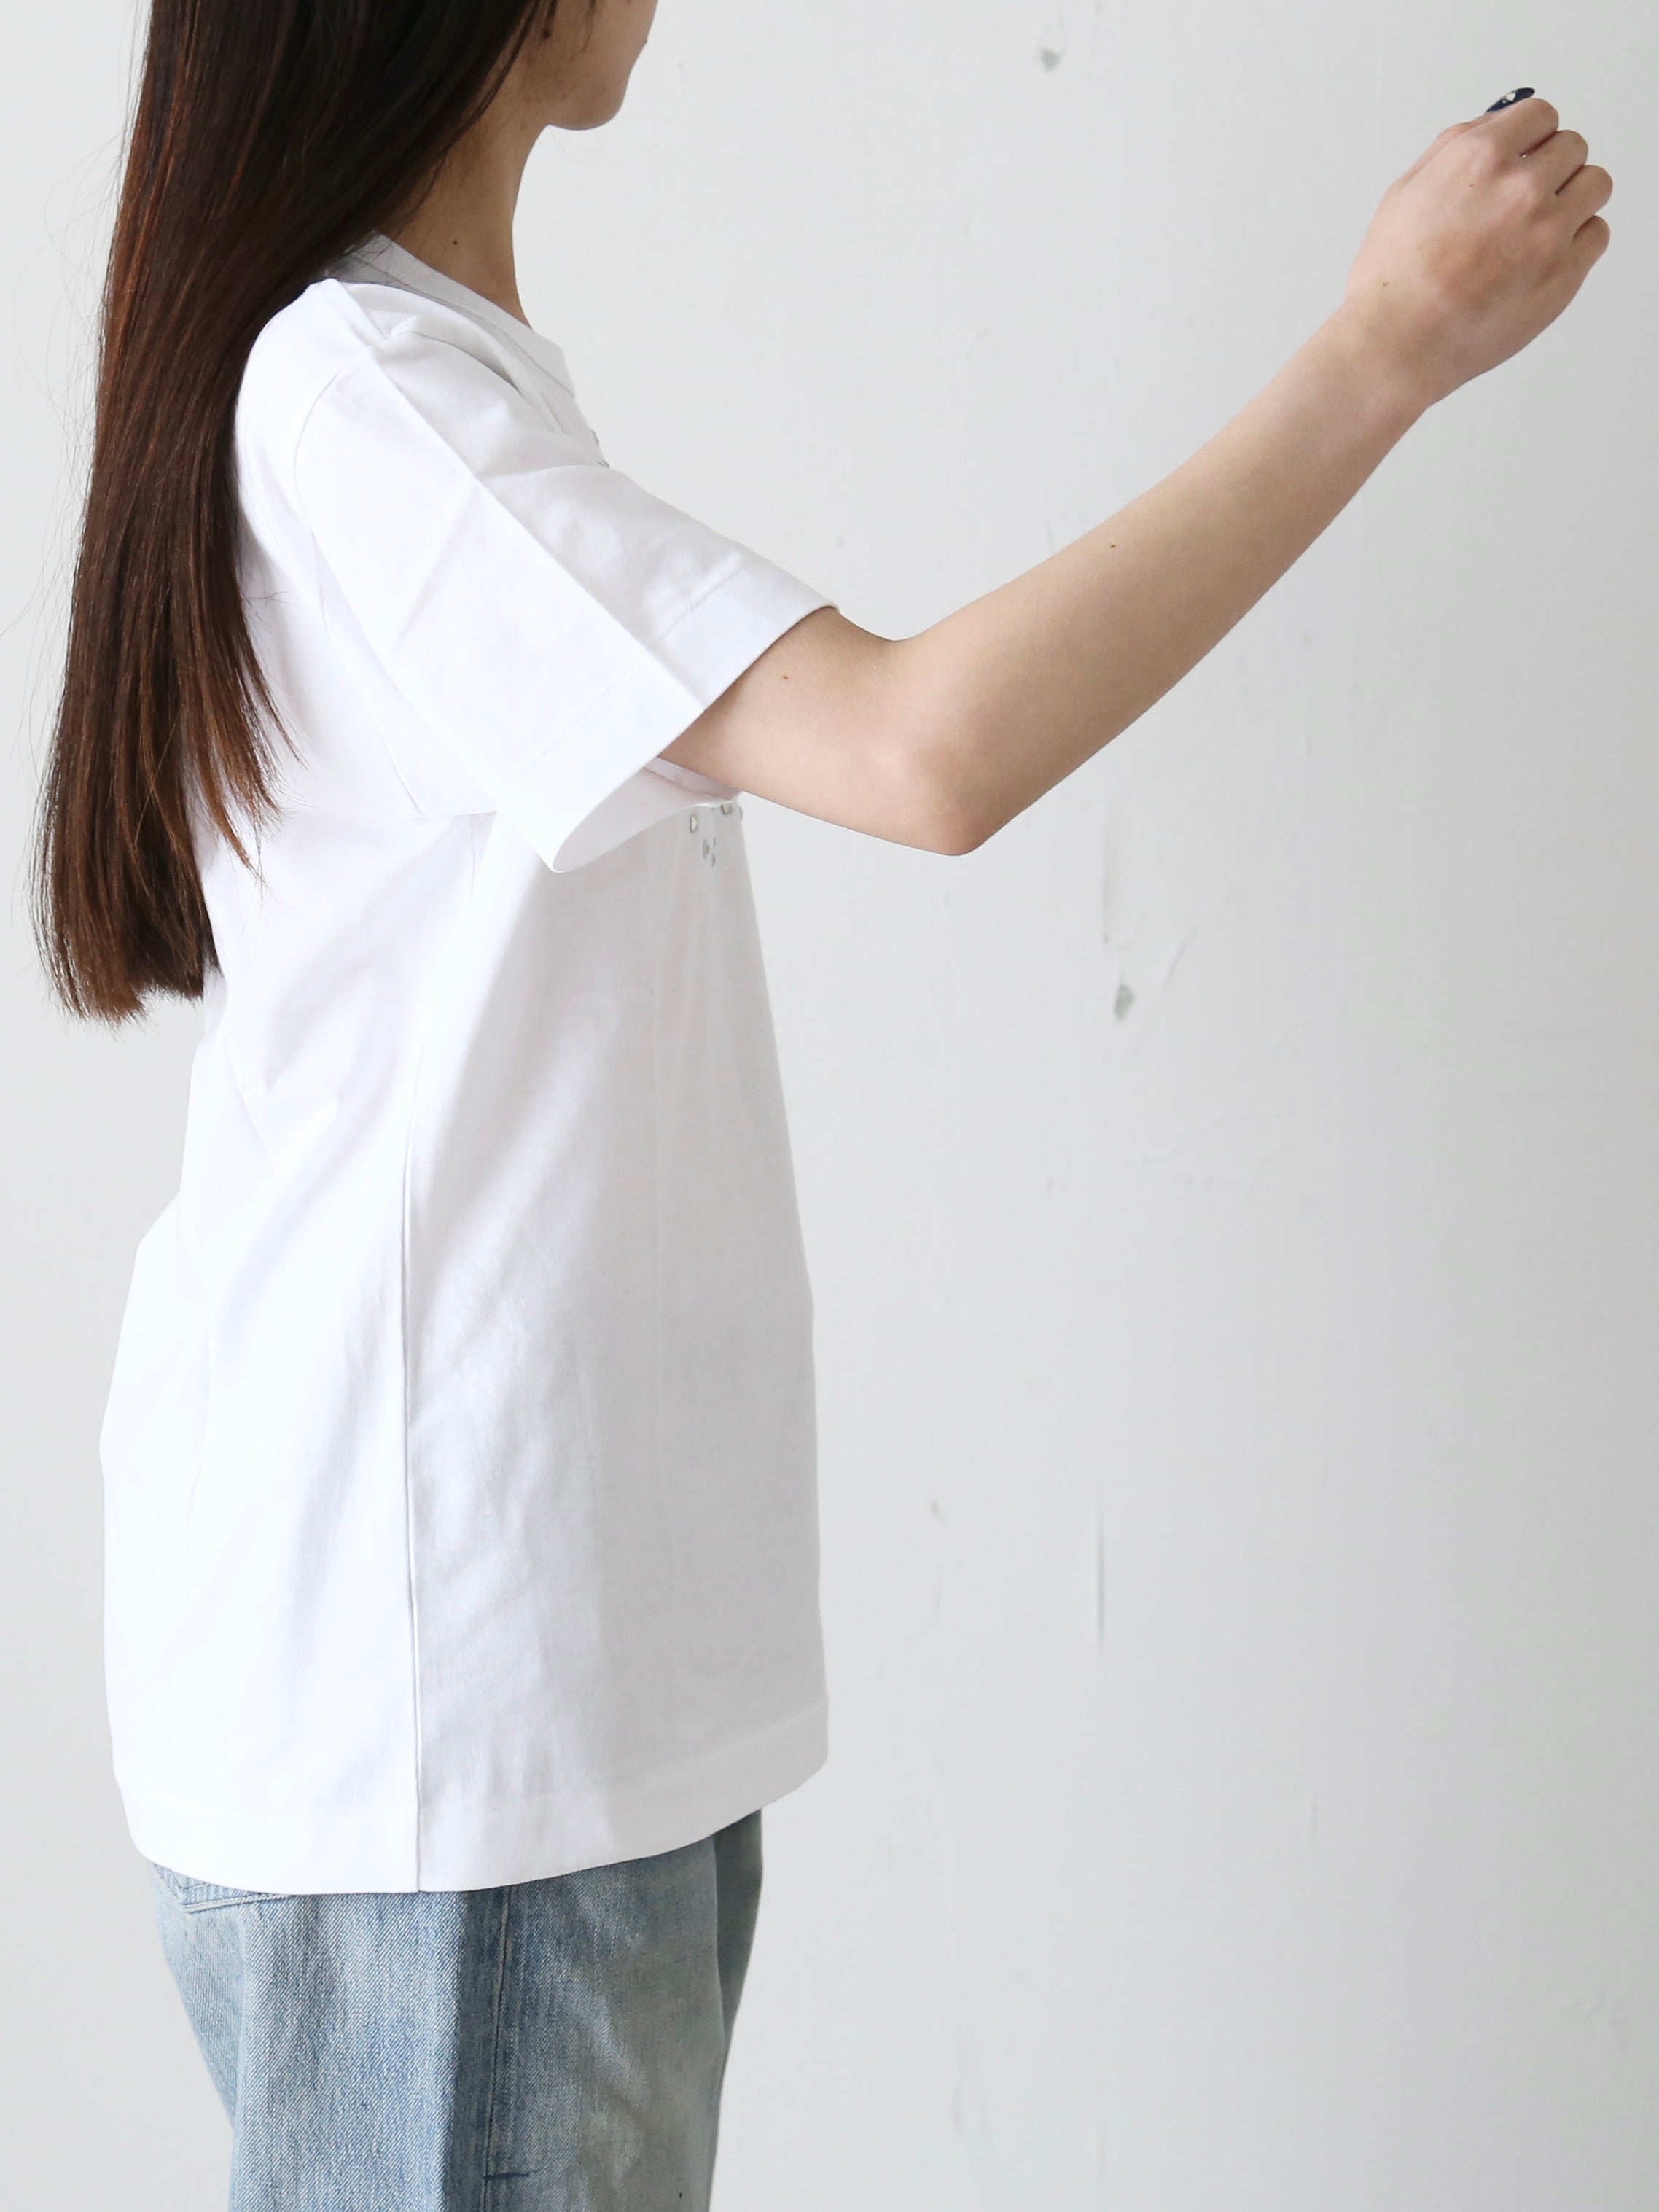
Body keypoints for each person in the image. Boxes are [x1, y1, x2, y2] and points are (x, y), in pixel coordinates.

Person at [34, 0, 1610, 2203]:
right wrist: (1379, 351)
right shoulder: (363, 397)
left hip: (526, 1706)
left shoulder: (430, 383)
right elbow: (918, 749)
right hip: (447, 1732)